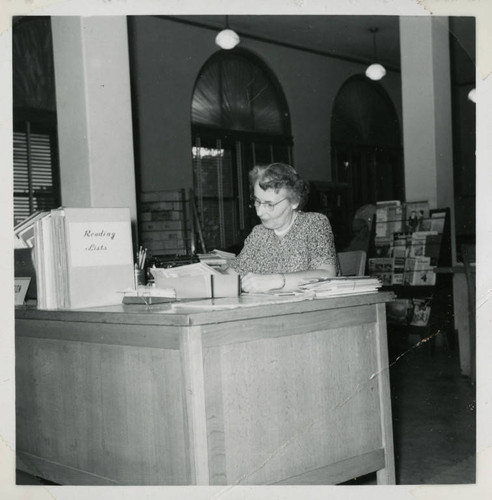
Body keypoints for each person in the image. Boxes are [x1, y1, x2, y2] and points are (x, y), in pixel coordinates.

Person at [229, 163, 337, 293]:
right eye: (257, 201)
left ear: (294, 201)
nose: (259, 212)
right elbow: (232, 274)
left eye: (270, 204)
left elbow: (327, 275)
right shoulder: (259, 233)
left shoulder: (314, 223)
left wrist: (276, 281)